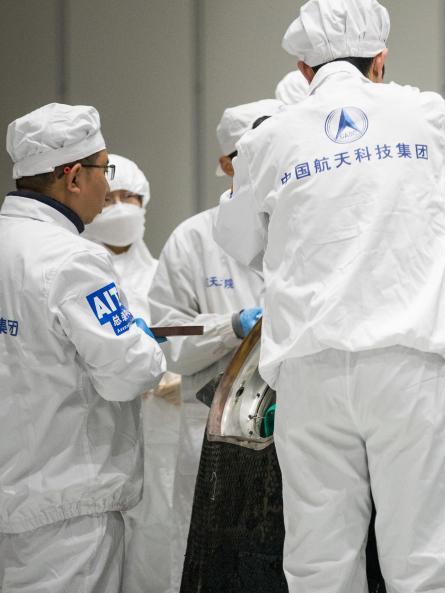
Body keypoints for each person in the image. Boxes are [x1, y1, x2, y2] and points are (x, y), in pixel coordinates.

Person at [213, 1, 445, 591]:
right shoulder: (423, 113)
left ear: (303, 69)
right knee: (428, 565)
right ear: (380, 60)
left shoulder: (270, 138)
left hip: (310, 377)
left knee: (319, 567)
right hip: (408, 367)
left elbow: (234, 237)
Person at [0, 103, 166, 593]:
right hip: (67, 505)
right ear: (73, 177)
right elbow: (129, 374)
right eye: (104, 170)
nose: (106, 185)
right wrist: (136, 333)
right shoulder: (72, 259)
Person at [149, 99, 278, 591]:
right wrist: (231, 326)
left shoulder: (310, 231)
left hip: (301, 432)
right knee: (212, 560)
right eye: (252, 154)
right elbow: (166, 335)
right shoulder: (192, 241)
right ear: (226, 164)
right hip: (213, 434)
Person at [82, 153, 181, 593]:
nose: (121, 207)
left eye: (131, 197)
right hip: (93, 440)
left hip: (162, 441)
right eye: (111, 198)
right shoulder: (77, 274)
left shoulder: (164, 276)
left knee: (158, 542)